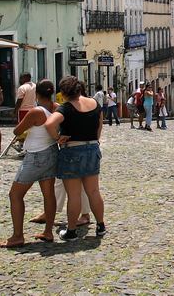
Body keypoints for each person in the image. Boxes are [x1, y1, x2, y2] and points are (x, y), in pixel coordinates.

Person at [0, 79, 60, 248]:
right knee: (48, 194)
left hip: (36, 155)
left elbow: (17, 130)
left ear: (37, 94)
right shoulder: (56, 108)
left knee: (15, 195)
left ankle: (17, 235)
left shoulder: (35, 112)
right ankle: (48, 231)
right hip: (52, 152)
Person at [44, 76, 106, 240]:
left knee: (74, 194)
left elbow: (49, 124)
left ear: (63, 93)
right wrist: (95, 139)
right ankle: (100, 226)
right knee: (94, 191)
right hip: (92, 147)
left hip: (72, 150)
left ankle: (71, 231)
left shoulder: (66, 108)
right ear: (80, 89)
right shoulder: (94, 104)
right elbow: (100, 123)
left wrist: (57, 138)